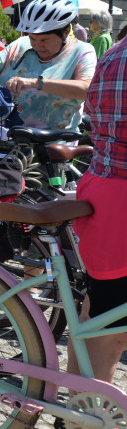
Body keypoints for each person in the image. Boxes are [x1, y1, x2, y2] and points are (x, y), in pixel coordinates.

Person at [66, 35, 127, 386]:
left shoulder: (114, 52)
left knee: (96, 316)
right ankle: (86, 428)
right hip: (120, 202)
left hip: (106, 192)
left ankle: (78, 422)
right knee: (110, 329)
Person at [0, 0, 95, 132]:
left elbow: (87, 89)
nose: (37, 45)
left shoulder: (82, 51)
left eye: (44, 40)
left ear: (66, 32)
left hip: (53, 139)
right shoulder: (21, 44)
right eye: (32, 38)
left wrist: (36, 83)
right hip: (8, 136)